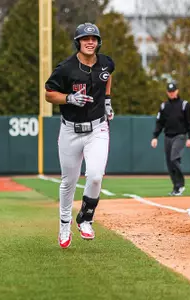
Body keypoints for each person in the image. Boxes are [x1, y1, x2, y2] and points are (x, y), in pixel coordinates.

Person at [44, 23, 115, 249]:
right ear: (78, 42)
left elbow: (107, 76)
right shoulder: (65, 68)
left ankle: (85, 219)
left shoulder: (106, 62)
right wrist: (68, 98)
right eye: (85, 39)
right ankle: (64, 225)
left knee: (95, 176)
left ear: (98, 41)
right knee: (69, 182)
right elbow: (49, 94)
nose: (90, 41)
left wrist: (107, 101)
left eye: (94, 38)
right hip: (70, 130)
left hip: (97, 128)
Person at [151, 82, 190, 196]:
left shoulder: (184, 105)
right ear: (167, 92)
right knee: (170, 163)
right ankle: (176, 187)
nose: (171, 93)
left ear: (177, 91)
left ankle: (180, 184)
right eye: (169, 92)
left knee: (174, 158)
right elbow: (159, 123)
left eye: (173, 91)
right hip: (167, 136)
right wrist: (155, 136)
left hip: (180, 136)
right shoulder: (164, 106)